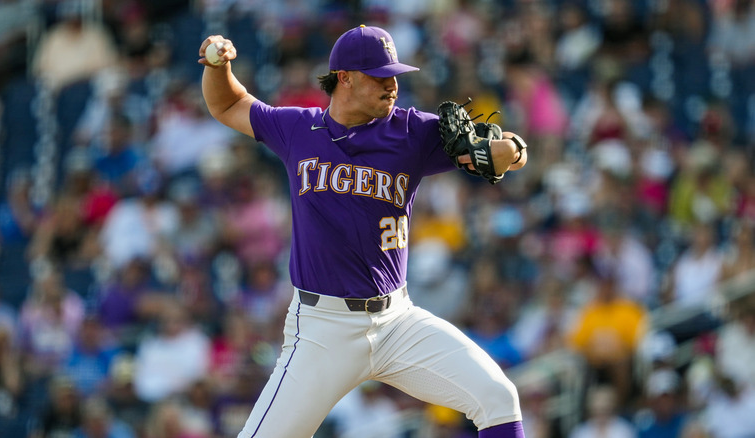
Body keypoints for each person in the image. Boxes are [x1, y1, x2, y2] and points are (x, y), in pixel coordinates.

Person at [199, 24, 528, 438]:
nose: (392, 86)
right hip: (322, 329)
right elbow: (228, 105)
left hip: (398, 322)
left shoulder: (412, 131)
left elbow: (511, 149)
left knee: (499, 397)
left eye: (395, 76)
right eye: (380, 76)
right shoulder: (298, 129)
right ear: (345, 78)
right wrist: (219, 66)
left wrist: (506, 150)